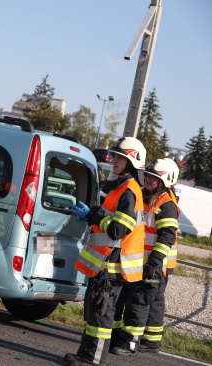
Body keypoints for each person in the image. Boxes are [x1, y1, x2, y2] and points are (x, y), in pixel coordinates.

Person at [64, 136, 146, 366]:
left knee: (101, 316)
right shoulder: (122, 186)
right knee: (94, 313)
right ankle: (85, 355)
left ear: (132, 161)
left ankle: (93, 361)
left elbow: (118, 229)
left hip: (111, 267)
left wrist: (94, 215)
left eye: (120, 157)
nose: (114, 160)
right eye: (115, 156)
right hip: (104, 265)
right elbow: (110, 217)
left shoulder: (129, 190)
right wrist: (92, 213)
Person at [109, 158, 180, 355]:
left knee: (139, 301)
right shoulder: (145, 196)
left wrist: (154, 263)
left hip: (153, 263)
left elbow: (167, 236)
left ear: (165, 182)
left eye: (155, 178)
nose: (150, 180)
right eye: (148, 176)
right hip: (141, 262)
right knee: (149, 301)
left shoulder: (166, 205)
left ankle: (130, 343)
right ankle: (149, 341)